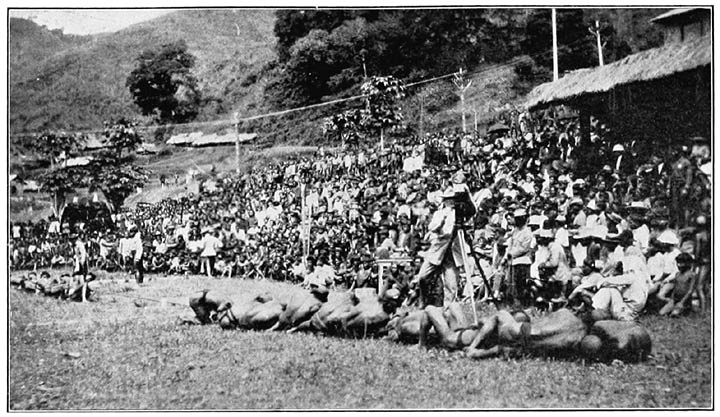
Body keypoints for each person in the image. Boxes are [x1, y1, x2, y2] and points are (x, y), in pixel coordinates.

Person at [413, 187, 460, 307]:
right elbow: (432, 227)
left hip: (451, 251)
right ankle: (424, 300)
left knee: (451, 285)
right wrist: (441, 222)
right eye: (448, 199)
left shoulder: (459, 214)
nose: (451, 202)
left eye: (453, 199)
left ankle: (448, 309)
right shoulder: (439, 213)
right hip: (438, 249)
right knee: (422, 277)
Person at [504, 208, 534, 306]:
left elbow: (524, 248)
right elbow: (511, 244)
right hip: (514, 261)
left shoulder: (528, 232)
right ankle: (515, 303)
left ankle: (524, 304)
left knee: (522, 285)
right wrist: (508, 254)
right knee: (513, 284)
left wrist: (512, 254)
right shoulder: (515, 231)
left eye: (519, 218)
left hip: (523, 261)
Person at [663, 252, 698, 317]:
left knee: (674, 314)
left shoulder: (692, 275)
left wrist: (682, 302)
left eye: (681, 263)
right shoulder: (677, 274)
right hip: (676, 299)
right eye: (678, 263)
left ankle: (685, 309)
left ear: (687, 263)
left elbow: (690, 291)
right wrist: (672, 299)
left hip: (685, 301)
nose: (679, 265)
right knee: (662, 313)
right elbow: (675, 288)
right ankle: (674, 308)